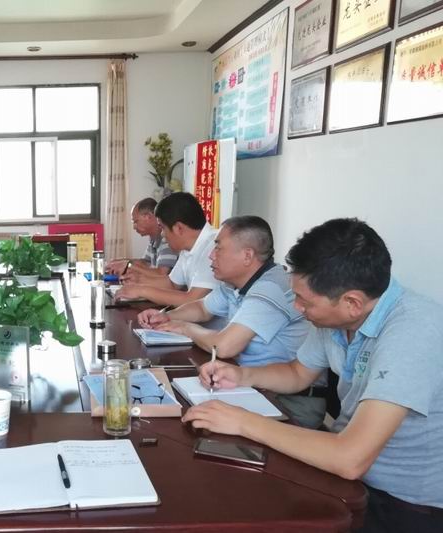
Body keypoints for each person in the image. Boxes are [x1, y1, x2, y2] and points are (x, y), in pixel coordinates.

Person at [182, 218, 443, 532]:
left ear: (352, 302)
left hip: (402, 504)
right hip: (345, 476)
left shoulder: (413, 332)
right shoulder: (337, 318)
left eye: (305, 302)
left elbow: (350, 458)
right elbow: (297, 373)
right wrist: (241, 375)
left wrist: (242, 421)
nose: (297, 308)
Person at [139, 216, 323, 428]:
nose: (211, 255)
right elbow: (202, 308)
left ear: (247, 256)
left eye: (218, 248)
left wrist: (185, 328)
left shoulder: (270, 287)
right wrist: (168, 317)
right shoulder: (235, 283)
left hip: (289, 401)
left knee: (191, 419)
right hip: (248, 383)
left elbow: (224, 346)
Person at [114, 192, 219, 306]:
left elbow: (192, 300)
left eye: (163, 228)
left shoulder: (213, 246)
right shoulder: (188, 246)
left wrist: (142, 290)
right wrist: (138, 280)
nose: (162, 234)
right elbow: (172, 284)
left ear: (179, 228)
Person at [106, 198, 178, 277]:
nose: (134, 227)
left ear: (148, 217)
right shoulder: (154, 238)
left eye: (136, 221)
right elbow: (146, 262)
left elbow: (162, 274)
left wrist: (128, 265)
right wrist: (120, 262)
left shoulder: (167, 238)